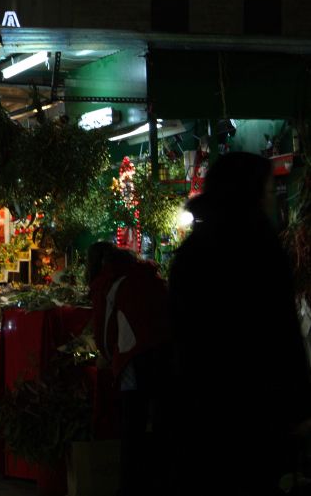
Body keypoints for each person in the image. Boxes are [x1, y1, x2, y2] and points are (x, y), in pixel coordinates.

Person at [168, 152, 311, 495]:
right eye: (264, 188)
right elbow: (280, 330)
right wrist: (297, 403)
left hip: (201, 410)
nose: (268, 196)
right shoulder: (259, 247)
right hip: (253, 408)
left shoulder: (190, 253)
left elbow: (180, 333)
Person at [86, 241, 169, 496]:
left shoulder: (108, 284)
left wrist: (110, 358)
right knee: (161, 420)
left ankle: (131, 485)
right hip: (165, 353)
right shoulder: (149, 276)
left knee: (132, 422)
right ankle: (161, 480)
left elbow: (104, 330)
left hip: (133, 355)